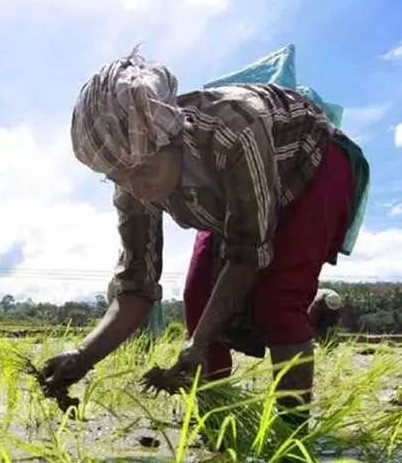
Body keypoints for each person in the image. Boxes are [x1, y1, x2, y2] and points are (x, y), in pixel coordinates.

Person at [40, 48, 368, 430]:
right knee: (199, 299)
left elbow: (247, 254)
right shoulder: (133, 184)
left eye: (144, 169)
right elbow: (136, 289)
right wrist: (81, 358)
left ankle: (290, 432)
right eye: (118, 177)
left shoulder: (234, 128)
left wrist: (197, 345)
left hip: (311, 165)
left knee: (279, 296)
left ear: (172, 138)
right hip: (231, 196)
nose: (135, 188)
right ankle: (218, 420)